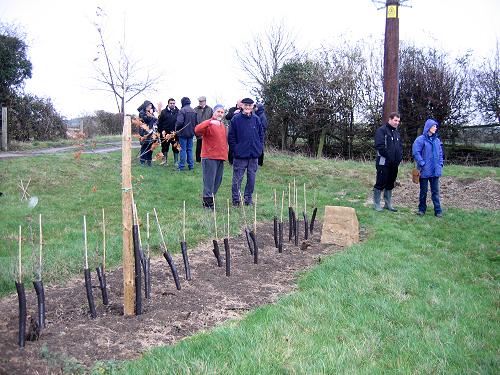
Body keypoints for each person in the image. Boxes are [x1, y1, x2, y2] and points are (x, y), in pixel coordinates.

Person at [228, 97, 264, 206]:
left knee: (251, 179)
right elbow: (231, 137)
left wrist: (259, 147)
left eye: (250, 105)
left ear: (253, 107)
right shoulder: (236, 119)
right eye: (246, 105)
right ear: (242, 106)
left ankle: (248, 199)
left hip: (253, 155)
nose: (248, 107)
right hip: (240, 156)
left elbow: (261, 135)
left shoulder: (256, 119)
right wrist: (236, 149)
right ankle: (236, 200)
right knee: (237, 179)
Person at [194, 104, 227, 209]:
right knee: (209, 182)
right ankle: (207, 205)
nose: (220, 114)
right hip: (209, 157)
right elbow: (197, 130)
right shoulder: (209, 124)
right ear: (214, 112)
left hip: (221, 157)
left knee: (217, 181)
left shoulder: (222, 125)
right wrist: (209, 122)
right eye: (218, 112)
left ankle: (211, 200)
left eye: (222, 112)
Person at [412, 119, 444, 217]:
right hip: (424, 170)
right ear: (428, 127)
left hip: (435, 171)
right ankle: (422, 210)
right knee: (423, 192)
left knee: (435, 192)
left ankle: (438, 211)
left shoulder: (437, 140)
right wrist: (422, 163)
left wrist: (440, 164)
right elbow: (416, 152)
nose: (435, 128)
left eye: (436, 126)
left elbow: (440, 154)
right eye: (433, 126)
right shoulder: (420, 139)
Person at [373, 112, 403, 211]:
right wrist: (389, 158)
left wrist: (399, 158)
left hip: (394, 164)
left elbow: (399, 147)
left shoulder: (396, 133)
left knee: (390, 183)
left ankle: (388, 204)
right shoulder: (381, 131)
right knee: (380, 183)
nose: (397, 123)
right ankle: (377, 204)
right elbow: (380, 147)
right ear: (390, 119)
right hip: (383, 163)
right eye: (395, 120)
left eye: (398, 121)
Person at [175, 97, 197, 171]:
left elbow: (179, 122)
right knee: (190, 150)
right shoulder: (194, 111)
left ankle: (181, 166)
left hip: (183, 133)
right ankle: (191, 166)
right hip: (191, 133)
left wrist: (176, 130)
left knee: (183, 150)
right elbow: (196, 123)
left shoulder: (182, 110)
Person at [157, 98, 179, 167]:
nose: (172, 104)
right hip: (165, 133)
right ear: (168, 104)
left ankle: (176, 162)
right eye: (171, 103)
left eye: (173, 103)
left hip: (174, 133)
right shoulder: (163, 112)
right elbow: (159, 123)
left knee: (175, 147)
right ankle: (165, 162)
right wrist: (161, 131)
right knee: (165, 147)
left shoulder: (178, 111)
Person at [137, 100, 157, 166]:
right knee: (144, 146)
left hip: (151, 132)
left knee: (151, 147)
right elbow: (146, 120)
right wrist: (151, 115)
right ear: (145, 106)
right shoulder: (142, 113)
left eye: (151, 105)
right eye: (148, 105)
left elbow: (155, 120)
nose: (150, 107)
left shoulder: (151, 113)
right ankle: (142, 161)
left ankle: (149, 161)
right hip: (144, 132)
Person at [194, 96, 213, 163]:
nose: (200, 103)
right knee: (199, 145)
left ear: (205, 101)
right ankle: (198, 159)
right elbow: (194, 119)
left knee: (207, 145)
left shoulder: (210, 109)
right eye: (199, 101)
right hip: (198, 129)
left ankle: (207, 158)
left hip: (207, 129)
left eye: (201, 101)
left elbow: (212, 119)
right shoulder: (195, 109)